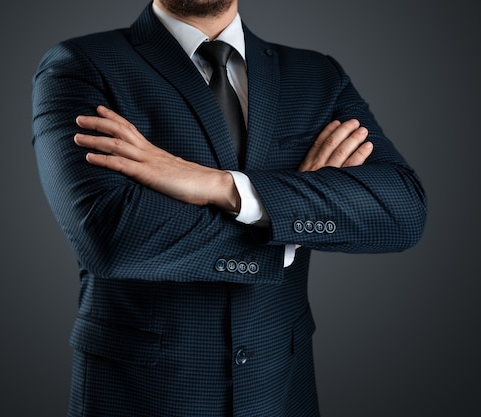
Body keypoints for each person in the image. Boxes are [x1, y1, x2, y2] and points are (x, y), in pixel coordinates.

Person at [31, 0, 427, 415]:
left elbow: (402, 209)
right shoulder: (82, 66)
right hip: (143, 396)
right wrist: (287, 224)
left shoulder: (316, 76)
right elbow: (113, 238)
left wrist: (221, 187)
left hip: (282, 391)